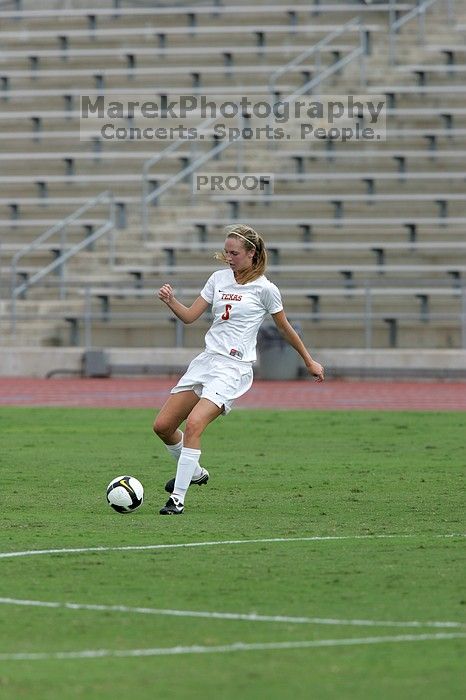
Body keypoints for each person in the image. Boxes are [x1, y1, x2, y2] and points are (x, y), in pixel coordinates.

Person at [154, 223, 324, 515]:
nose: (229, 257)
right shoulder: (218, 279)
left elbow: (284, 328)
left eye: (234, 253)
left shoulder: (265, 289)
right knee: (163, 427)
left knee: (194, 425)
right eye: (227, 252)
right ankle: (194, 472)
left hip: (233, 368)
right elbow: (190, 317)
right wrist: (172, 301)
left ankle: (178, 499)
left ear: (252, 254)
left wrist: (308, 359)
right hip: (206, 362)